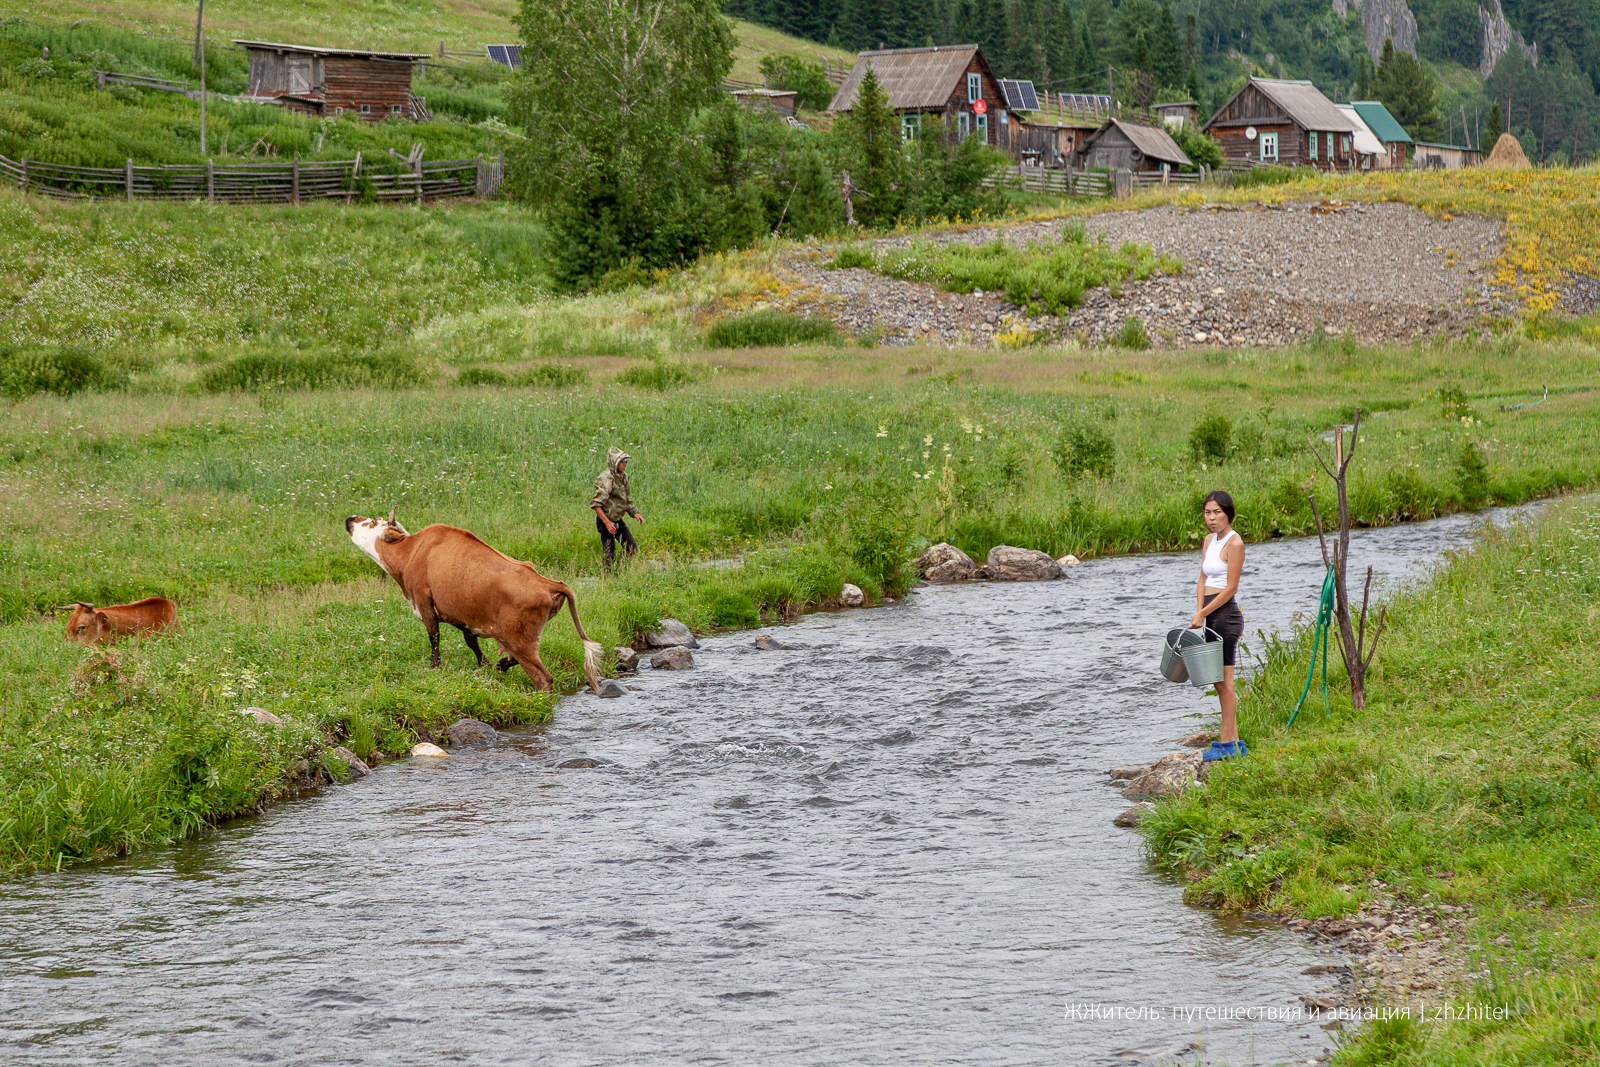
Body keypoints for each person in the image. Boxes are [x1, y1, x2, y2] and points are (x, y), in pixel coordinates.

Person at [1190, 490, 1246, 761]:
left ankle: (1227, 745)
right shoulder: (1208, 541)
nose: (1211, 519)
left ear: (1228, 514)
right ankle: (1234, 742)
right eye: (1207, 512)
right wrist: (1199, 611)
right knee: (1217, 681)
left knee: (1224, 683)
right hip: (1210, 615)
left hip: (1225, 616)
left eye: (1217, 513)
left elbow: (1230, 587)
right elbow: (1202, 579)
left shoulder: (1234, 544)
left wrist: (1204, 612)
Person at [591, 446, 644, 573]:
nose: (625, 464)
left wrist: (634, 512)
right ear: (615, 462)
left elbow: (625, 500)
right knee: (609, 555)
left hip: (617, 520)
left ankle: (619, 573)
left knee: (631, 547)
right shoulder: (607, 479)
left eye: (626, 461)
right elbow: (596, 504)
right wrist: (607, 523)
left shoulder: (624, 477)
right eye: (622, 461)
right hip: (606, 521)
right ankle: (605, 579)